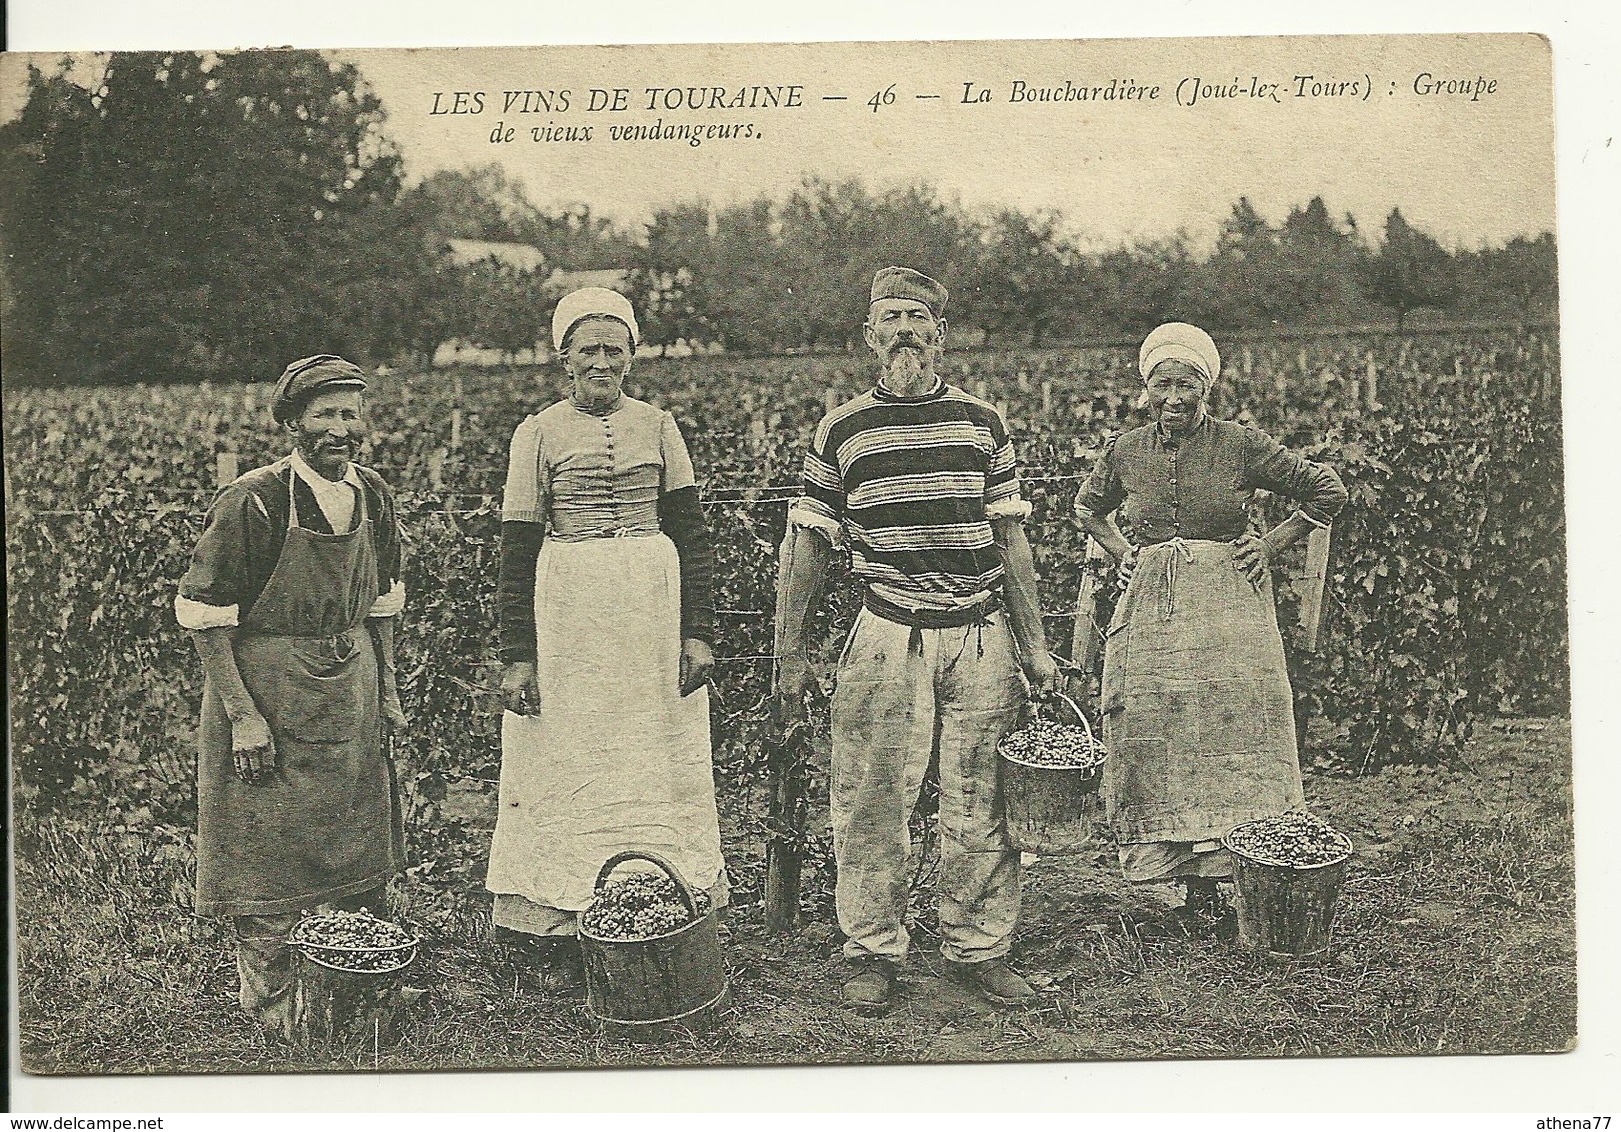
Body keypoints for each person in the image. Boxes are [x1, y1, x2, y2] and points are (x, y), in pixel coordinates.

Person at [777, 266, 1059, 1015]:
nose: (904, 330)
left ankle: (979, 948)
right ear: (869, 337)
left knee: (982, 801)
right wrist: (790, 650)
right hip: (884, 632)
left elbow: (1010, 541)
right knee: (872, 798)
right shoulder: (840, 429)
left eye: (917, 318)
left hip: (977, 634)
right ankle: (871, 950)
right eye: (890, 318)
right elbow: (809, 545)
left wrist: (1034, 647)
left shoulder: (982, 423)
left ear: (941, 334)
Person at [1074, 322, 1348, 921]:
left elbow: (1326, 491)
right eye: (1161, 386)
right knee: (1156, 728)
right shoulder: (1125, 450)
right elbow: (1087, 508)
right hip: (1153, 612)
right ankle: (1169, 877)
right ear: (1146, 391)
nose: (1173, 398)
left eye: (1187, 384)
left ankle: (1235, 869)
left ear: (1208, 388)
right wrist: (1125, 554)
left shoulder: (1242, 444)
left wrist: (1273, 544)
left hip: (1230, 612)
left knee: (1234, 734)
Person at [487, 287, 725, 978]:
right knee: (573, 753)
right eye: (587, 348)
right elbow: (515, 550)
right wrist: (518, 657)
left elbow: (692, 533)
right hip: (572, 613)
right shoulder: (536, 433)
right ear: (563, 357)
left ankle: (661, 910)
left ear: (631, 355)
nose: (601, 361)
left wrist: (697, 633)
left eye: (613, 349)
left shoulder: (659, 425)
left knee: (654, 751)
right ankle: (559, 921)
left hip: (652, 607)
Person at [174, 354, 408, 1039]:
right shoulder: (255, 498)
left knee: (357, 838)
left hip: (350, 684)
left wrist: (388, 692)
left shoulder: (373, 493)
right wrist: (244, 717)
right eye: (327, 414)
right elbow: (203, 611)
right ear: (292, 423)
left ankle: (357, 984)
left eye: (351, 413)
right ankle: (274, 1002)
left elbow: (384, 602)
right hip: (271, 686)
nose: (344, 428)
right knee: (267, 846)